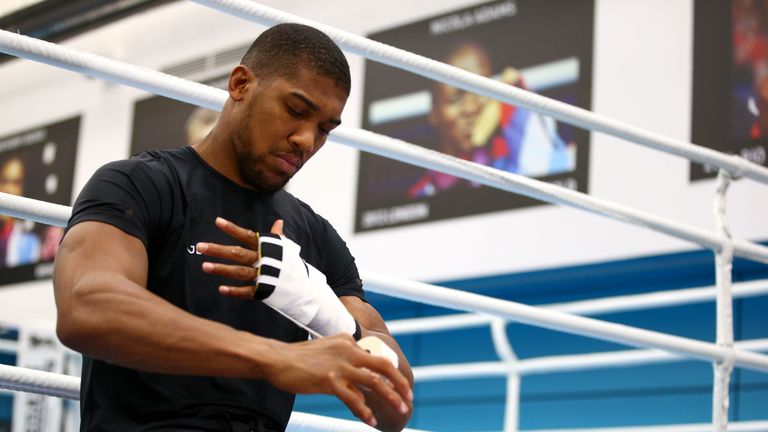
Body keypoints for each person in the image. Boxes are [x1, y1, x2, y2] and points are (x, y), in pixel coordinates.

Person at [53, 23, 413, 432]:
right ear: (240, 84)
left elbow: (394, 405)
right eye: (296, 110)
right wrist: (276, 358)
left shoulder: (314, 237)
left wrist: (328, 314)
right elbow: (86, 307)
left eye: (325, 129)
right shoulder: (141, 184)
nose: (306, 140)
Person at [408, 42, 574, 198]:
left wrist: (513, 98)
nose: (471, 108)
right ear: (433, 112)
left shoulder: (515, 156)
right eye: (455, 99)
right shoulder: (422, 193)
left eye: (480, 89)